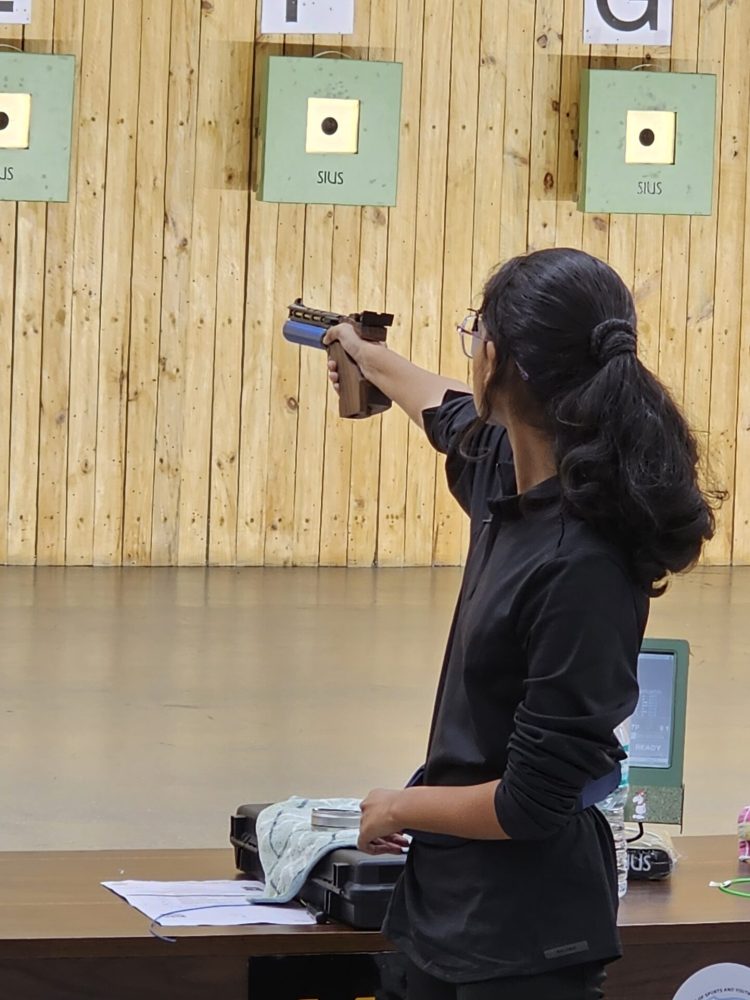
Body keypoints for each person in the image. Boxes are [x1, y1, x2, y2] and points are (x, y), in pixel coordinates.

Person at [323, 247, 718, 1000]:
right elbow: (441, 407)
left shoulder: (581, 563)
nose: (470, 353)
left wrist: (399, 804)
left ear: (497, 360)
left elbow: (530, 801)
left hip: (525, 946)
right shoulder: (512, 471)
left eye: (476, 334)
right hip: (452, 916)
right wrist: (369, 356)